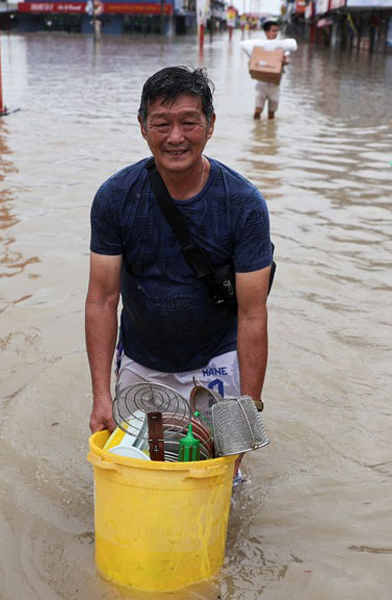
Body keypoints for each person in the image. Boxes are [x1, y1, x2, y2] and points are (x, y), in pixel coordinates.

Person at [86, 66, 274, 442]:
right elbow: (102, 300)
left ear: (210, 124)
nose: (176, 137)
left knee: (225, 475)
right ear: (142, 126)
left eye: (189, 122)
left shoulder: (244, 205)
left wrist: (248, 409)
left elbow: (253, 314)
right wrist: (101, 395)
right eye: (161, 124)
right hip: (142, 363)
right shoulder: (115, 198)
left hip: (217, 361)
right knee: (141, 467)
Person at [250, 19, 289, 120]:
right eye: (273, 31)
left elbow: (286, 62)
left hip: (274, 85)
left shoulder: (281, 47)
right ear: (266, 32)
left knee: (271, 114)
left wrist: (284, 61)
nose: (275, 33)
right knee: (257, 111)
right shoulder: (260, 47)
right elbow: (253, 61)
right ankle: (257, 132)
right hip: (261, 84)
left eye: (277, 31)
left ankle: (270, 134)